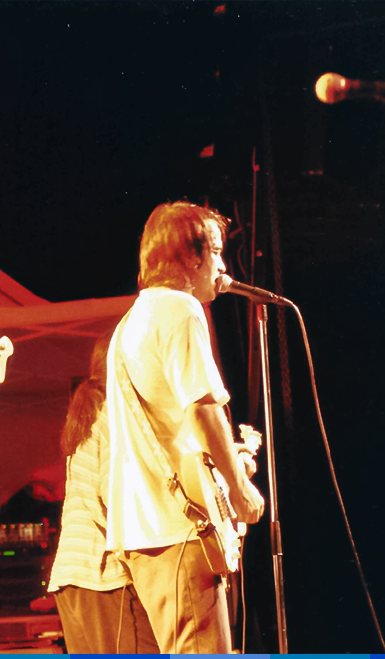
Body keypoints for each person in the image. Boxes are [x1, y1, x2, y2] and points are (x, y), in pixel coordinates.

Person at [105, 201, 266, 654]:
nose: (223, 266)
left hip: (149, 529)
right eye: (216, 251)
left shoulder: (132, 321)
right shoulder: (179, 309)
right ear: (192, 256)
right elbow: (202, 409)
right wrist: (239, 489)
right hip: (177, 529)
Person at [49, 330, 157, 654]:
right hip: (102, 576)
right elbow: (114, 494)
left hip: (71, 574)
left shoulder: (89, 411)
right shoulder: (114, 413)